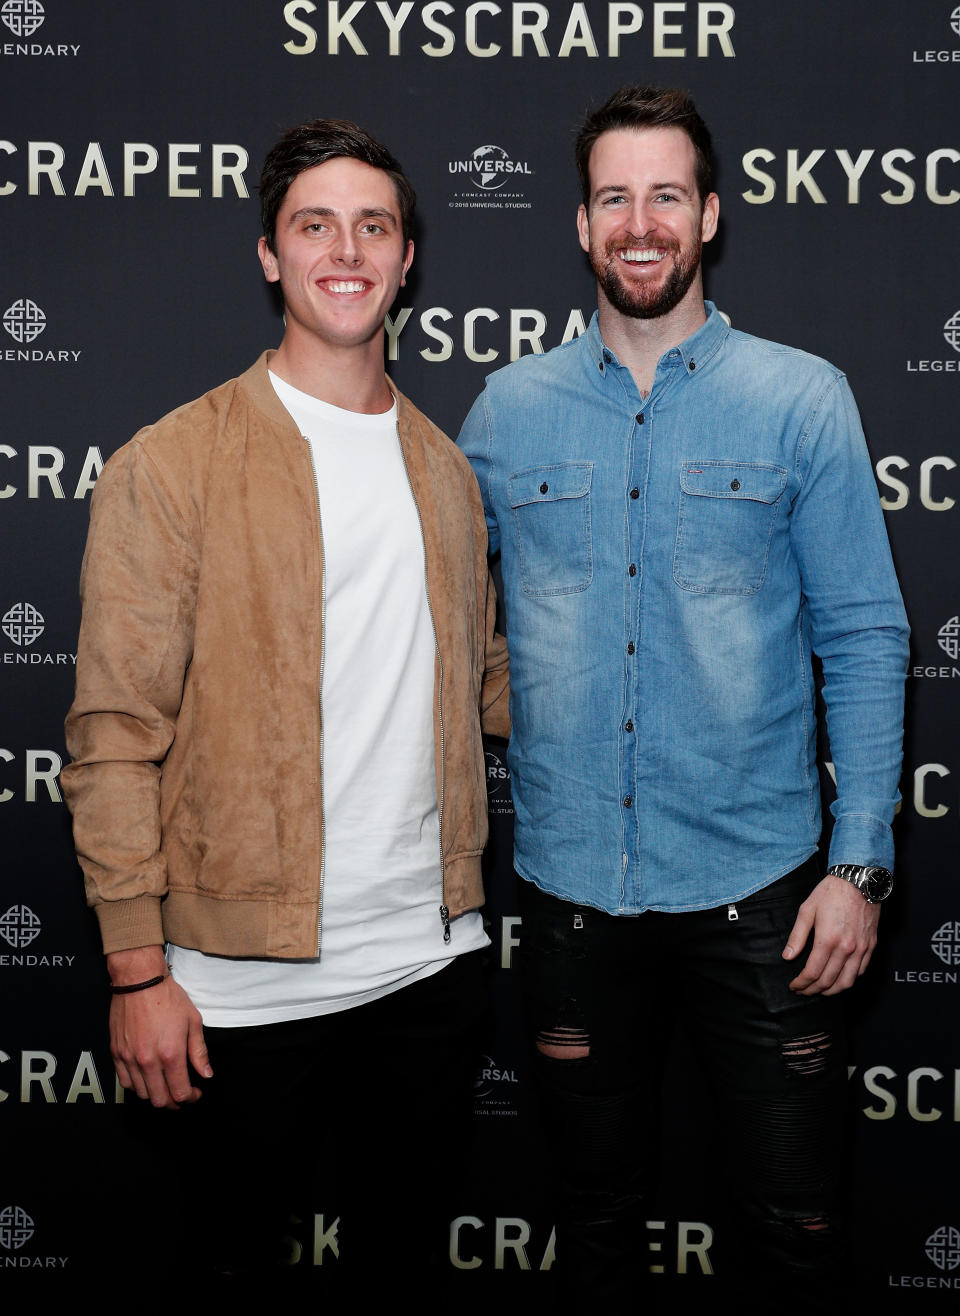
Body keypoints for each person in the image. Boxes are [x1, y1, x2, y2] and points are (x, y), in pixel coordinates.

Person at [457, 85, 908, 1310]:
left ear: (708, 215)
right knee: (593, 1232)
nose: (640, 222)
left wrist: (860, 862)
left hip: (765, 896)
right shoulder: (505, 412)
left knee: (797, 1228)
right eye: (615, 197)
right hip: (569, 896)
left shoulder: (801, 397)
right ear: (582, 223)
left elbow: (864, 631)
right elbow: (450, 631)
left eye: (667, 195)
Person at [62, 118, 509, 1283]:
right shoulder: (170, 464)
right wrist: (137, 970)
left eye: (375, 225)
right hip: (237, 990)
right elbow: (114, 739)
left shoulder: (446, 470)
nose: (346, 249)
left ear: (409, 258)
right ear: (270, 252)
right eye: (316, 224)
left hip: (429, 965)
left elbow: (487, 688)